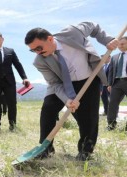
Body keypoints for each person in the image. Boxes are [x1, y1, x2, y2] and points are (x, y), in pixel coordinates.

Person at [24, 22, 118, 161]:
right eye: (33, 50)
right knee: (48, 109)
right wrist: (67, 99)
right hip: (62, 83)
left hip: (88, 79)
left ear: (50, 39)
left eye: (39, 48)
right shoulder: (40, 61)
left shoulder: (72, 32)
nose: (38, 52)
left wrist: (108, 40)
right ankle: (45, 149)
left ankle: (85, 151)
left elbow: (94, 27)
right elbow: (55, 83)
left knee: (88, 118)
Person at [0, 32, 30, 132]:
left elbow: (18, 65)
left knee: (12, 103)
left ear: (2, 39)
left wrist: (24, 77)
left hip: (9, 82)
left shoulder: (10, 51)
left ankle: (12, 125)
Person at [107, 36, 127, 130]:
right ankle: (111, 125)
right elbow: (111, 72)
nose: (120, 46)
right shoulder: (114, 57)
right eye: (119, 44)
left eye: (122, 44)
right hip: (117, 83)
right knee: (112, 104)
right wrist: (109, 84)